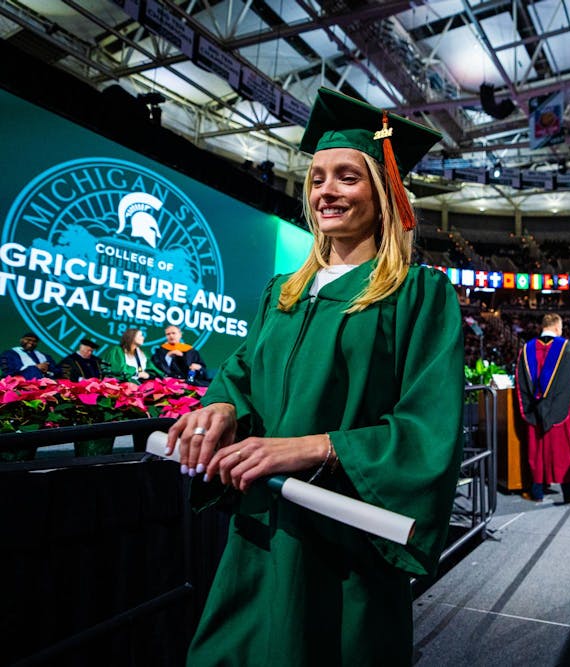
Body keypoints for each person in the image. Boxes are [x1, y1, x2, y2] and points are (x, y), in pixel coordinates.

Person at [165, 87, 463, 666]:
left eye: (347, 177)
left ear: (384, 193)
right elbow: (244, 372)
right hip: (262, 525)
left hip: (343, 537)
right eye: (318, 178)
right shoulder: (284, 291)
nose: (327, 190)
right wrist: (221, 405)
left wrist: (315, 448)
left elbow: (428, 426)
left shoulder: (418, 294)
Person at [515, 313, 570, 504]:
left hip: (535, 410)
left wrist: (531, 407)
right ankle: (569, 494)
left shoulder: (526, 349)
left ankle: (536, 494)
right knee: (566, 452)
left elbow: (519, 383)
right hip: (564, 409)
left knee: (536, 451)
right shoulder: (569, 348)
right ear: (557, 328)